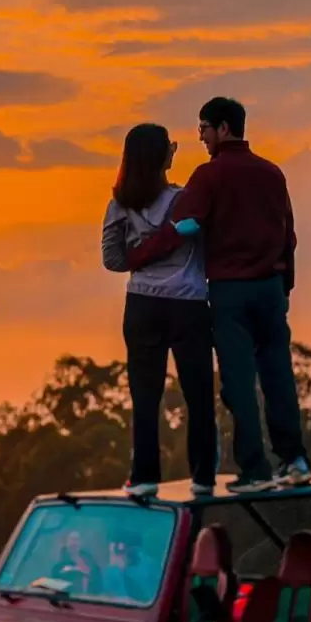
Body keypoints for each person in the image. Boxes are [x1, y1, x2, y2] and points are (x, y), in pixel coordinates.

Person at [124, 97, 310, 493]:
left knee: (239, 382)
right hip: (272, 290)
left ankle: (255, 470)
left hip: (230, 292)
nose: (201, 138)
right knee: (278, 374)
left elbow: (185, 225)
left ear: (223, 129)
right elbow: (288, 234)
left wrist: (137, 257)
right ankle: (294, 460)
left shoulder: (209, 176)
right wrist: (286, 287)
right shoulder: (272, 173)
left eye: (204, 129)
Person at [102, 123, 218, 498]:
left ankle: (145, 474)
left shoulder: (119, 204)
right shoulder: (185, 200)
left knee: (145, 394)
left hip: (142, 305)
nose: (175, 150)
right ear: (160, 156)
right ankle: (202, 475)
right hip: (189, 303)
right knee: (198, 393)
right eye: (170, 145)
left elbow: (113, 260)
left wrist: (143, 256)